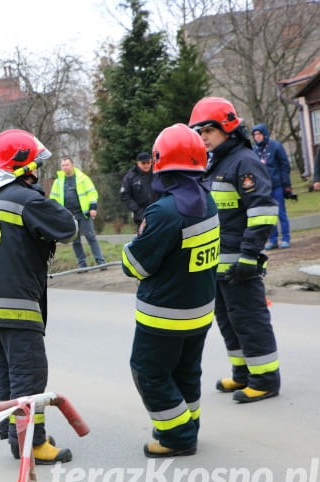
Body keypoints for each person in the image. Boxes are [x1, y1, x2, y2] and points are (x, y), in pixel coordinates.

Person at [0, 129, 77, 464]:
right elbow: (69, 227)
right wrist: (42, 201)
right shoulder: (27, 200)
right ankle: (32, 444)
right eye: (36, 167)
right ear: (25, 167)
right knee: (30, 377)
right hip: (17, 304)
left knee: (9, 375)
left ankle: (12, 434)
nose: (38, 174)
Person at [122, 124, 219, 458]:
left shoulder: (163, 211)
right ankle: (187, 425)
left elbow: (135, 266)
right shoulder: (209, 201)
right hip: (200, 311)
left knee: (148, 372)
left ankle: (177, 436)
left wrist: (130, 246)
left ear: (160, 162)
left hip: (164, 316)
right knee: (186, 372)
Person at [189, 97, 280, 403]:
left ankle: (265, 379)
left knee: (250, 320)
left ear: (227, 128)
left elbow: (264, 212)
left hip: (241, 263)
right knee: (229, 321)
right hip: (219, 265)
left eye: (207, 130)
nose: (202, 137)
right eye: (200, 132)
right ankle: (243, 374)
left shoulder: (245, 162)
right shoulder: (217, 163)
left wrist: (249, 255)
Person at [49, 158, 105, 269]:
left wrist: (93, 207)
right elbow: (53, 198)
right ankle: (82, 264)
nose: (65, 167)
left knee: (91, 237)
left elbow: (92, 193)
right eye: (63, 165)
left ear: (73, 165)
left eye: (67, 165)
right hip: (69, 216)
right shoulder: (58, 182)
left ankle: (101, 262)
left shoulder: (83, 178)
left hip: (83, 214)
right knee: (75, 240)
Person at [251, 124, 293, 249]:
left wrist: (286, 184)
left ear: (265, 134)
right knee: (269, 214)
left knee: (280, 213)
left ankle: (286, 238)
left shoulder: (276, 146)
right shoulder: (253, 150)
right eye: (255, 135)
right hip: (262, 188)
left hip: (276, 186)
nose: (257, 137)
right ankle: (273, 239)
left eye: (259, 134)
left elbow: (284, 166)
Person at [120, 152, 159, 230]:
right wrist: (137, 210)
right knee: (145, 238)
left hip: (158, 212)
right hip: (141, 216)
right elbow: (125, 195)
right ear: (138, 163)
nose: (146, 165)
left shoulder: (157, 174)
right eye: (143, 163)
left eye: (148, 162)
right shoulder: (130, 177)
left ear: (151, 162)